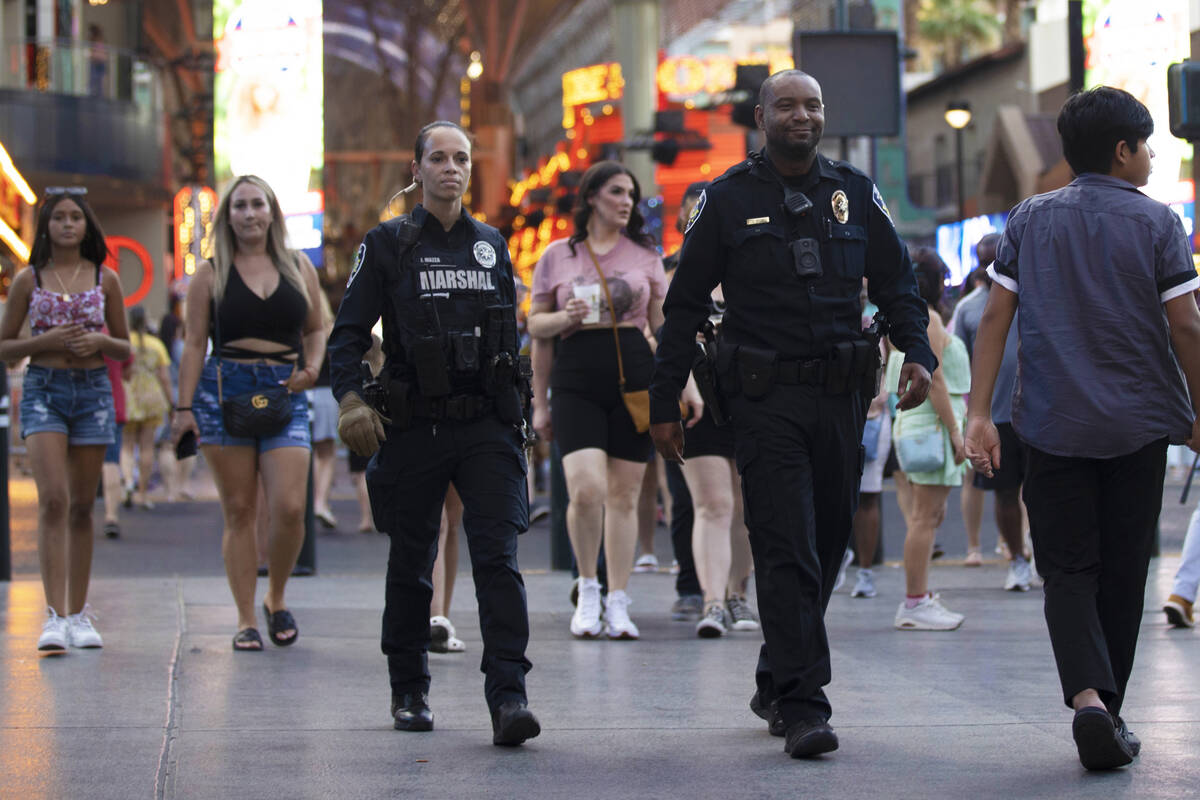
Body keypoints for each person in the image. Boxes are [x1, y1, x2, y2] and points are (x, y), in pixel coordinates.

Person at [649, 69, 934, 758]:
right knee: (784, 544)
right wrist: (663, 400)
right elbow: (684, 306)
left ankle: (777, 672)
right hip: (762, 398)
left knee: (832, 541)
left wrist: (917, 353)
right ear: (761, 115)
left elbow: (898, 283)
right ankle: (806, 705)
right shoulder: (724, 198)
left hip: (841, 397)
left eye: (812, 104)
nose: (801, 115)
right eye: (787, 105)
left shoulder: (855, 193)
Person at [965, 86, 1200, 771]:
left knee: (1066, 568)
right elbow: (1185, 324)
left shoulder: (1029, 219)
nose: (1152, 155)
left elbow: (996, 320)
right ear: (1122, 150)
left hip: (1050, 422)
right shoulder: (1158, 223)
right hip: (1138, 424)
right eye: (1146, 143)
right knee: (1126, 569)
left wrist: (981, 412)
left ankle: (1089, 702)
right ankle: (1112, 710)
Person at [328, 121, 540, 746]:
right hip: (415, 424)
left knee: (499, 561)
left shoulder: (492, 244)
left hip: (487, 426)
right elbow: (346, 335)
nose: (452, 168)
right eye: (439, 158)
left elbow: (510, 339)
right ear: (416, 168)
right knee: (412, 561)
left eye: (462, 158)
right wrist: (349, 398)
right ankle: (409, 689)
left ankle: (509, 698)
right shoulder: (387, 243)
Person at [528, 160, 697, 641]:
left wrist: (686, 384)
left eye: (631, 195)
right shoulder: (558, 255)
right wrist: (564, 322)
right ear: (592, 198)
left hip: (634, 378)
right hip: (576, 378)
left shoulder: (645, 255)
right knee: (585, 489)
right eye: (617, 192)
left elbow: (665, 329)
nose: (626, 202)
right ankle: (588, 589)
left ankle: (619, 599)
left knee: (624, 496)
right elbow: (536, 329)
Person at [171, 174, 325, 652]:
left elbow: (317, 329)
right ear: (228, 216)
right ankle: (245, 618)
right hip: (224, 389)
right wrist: (183, 408)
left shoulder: (300, 265)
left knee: (291, 508)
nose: (250, 213)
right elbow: (195, 343)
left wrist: (313, 368)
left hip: (286, 388)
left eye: (258, 204)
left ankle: (276, 597)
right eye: (240, 206)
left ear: (273, 212)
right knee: (239, 510)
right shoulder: (210, 273)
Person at [0, 187, 130, 652]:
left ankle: (79, 613)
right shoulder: (27, 280)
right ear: (47, 227)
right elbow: (5, 345)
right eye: (59, 218)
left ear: (87, 225)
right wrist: (45, 341)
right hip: (44, 391)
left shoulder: (104, 277)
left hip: (93, 391)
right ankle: (53, 616)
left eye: (76, 217)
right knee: (52, 499)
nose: (69, 224)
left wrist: (98, 344)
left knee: (80, 505)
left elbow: (125, 345)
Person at [886, 248, 969, 630]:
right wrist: (955, 431)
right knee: (924, 517)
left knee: (928, 515)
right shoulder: (929, 319)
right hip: (931, 426)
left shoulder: (902, 319)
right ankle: (915, 601)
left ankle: (919, 596)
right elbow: (932, 379)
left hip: (914, 425)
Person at [953, 236, 1032, 588]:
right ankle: (1016, 559)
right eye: (986, 260)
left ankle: (1044, 557)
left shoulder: (1035, 296)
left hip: (1038, 412)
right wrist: (973, 414)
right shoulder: (969, 308)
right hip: (997, 415)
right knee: (1004, 493)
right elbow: (960, 358)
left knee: (1043, 493)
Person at [662, 182, 708, 622]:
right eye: (691, 212)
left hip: (730, 391)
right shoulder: (665, 270)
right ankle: (690, 585)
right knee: (685, 498)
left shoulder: (736, 265)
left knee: (731, 500)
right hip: (680, 394)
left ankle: (729, 587)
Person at [948, 239, 998, 567]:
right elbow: (960, 356)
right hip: (979, 404)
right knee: (975, 476)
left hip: (997, 404)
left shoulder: (967, 306)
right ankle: (975, 545)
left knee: (1018, 482)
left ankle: (1015, 544)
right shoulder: (968, 307)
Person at [121, 305, 171, 508]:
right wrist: (172, 403)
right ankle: (142, 493)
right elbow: (164, 377)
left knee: (126, 446)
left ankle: (128, 483)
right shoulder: (156, 345)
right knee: (147, 447)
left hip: (129, 396)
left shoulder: (124, 344)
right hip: (151, 396)